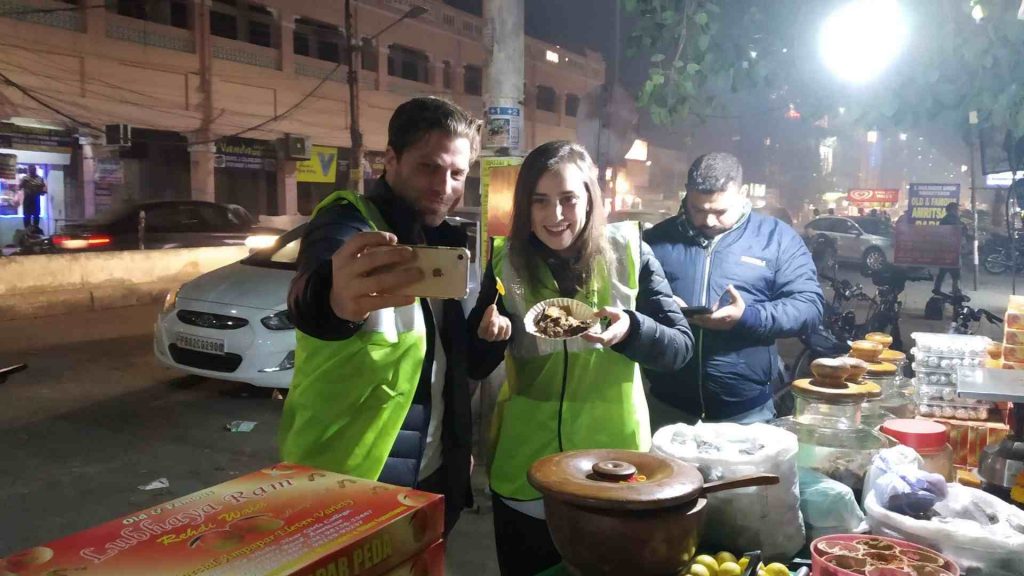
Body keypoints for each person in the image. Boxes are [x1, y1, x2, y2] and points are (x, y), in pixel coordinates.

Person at [468, 141, 693, 576]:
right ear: (524, 206)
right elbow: (474, 365)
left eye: (568, 199)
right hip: (526, 470)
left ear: (589, 197)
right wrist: (489, 338)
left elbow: (679, 348)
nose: (555, 216)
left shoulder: (630, 252)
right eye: (540, 201)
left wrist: (632, 329)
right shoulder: (503, 261)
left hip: (615, 468)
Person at [278, 97, 480, 534]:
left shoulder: (447, 245)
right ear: (390, 159)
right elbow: (311, 294)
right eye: (429, 167)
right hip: (344, 477)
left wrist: (457, 447)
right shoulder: (349, 219)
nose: (444, 185)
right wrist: (333, 302)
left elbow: (448, 367)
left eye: (457, 173)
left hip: (430, 471)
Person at [644, 152, 824, 425]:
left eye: (719, 211)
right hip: (667, 408)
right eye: (698, 209)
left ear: (742, 195)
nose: (709, 221)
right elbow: (628, 303)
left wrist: (747, 317)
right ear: (687, 195)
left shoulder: (777, 238)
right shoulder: (656, 240)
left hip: (746, 413)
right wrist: (661, 310)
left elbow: (809, 307)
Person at [934, 202, 967, 295]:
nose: (958, 211)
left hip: (944, 249)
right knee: (955, 272)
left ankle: (937, 288)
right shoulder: (955, 220)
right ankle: (956, 289)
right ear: (953, 210)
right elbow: (962, 231)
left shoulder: (944, 220)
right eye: (957, 209)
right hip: (953, 249)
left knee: (942, 271)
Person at [19, 164, 46, 230]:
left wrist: (42, 191)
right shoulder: (25, 178)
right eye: (30, 169)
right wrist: (23, 183)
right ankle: (27, 232)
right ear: (28, 170)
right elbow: (19, 187)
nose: (32, 170)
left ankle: (35, 231)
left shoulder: (40, 178)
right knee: (27, 217)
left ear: (35, 169)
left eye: (33, 169)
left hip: (36, 199)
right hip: (27, 200)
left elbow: (44, 190)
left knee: (36, 216)